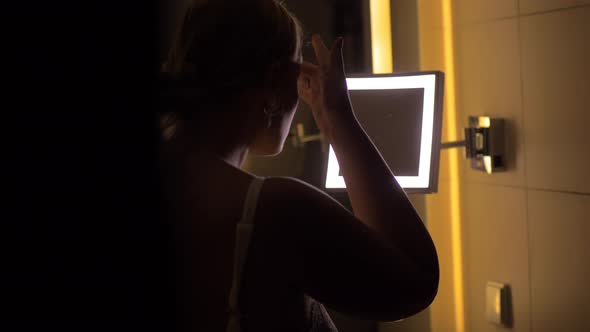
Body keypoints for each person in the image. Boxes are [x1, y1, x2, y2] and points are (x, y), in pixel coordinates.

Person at [159, 0, 439, 331]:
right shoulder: (275, 210)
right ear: (275, 84)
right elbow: (414, 283)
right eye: (297, 71)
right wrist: (337, 119)